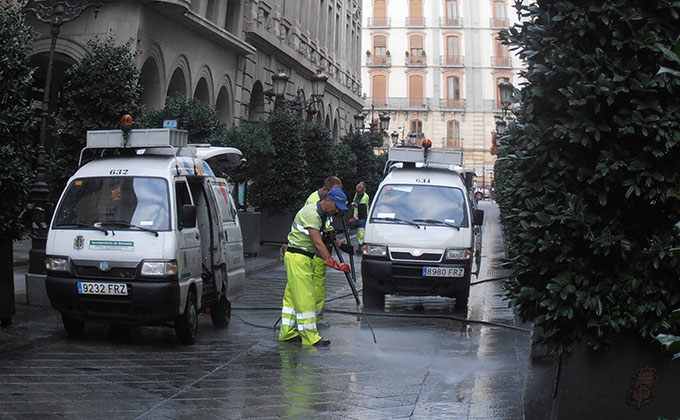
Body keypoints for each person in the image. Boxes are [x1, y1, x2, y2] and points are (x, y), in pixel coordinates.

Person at [279, 188, 351, 347]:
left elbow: (318, 236)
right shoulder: (312, 213)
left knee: (292, 298)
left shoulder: (321, 215)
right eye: (337, 206)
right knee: (306, 298)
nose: (337, 210)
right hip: (299, 257)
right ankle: (310, 337)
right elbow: (317, 242)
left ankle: (287, 332)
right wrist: (331, 261)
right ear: (328, 201)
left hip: (300, 256)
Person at [303, 176, 342, 318]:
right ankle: (314, 316)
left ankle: (317, 315)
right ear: (325, 190)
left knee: (319, 282)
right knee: (315, 283)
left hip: (320, 247)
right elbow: (313, 232)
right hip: (313, 249)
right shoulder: (314, 202)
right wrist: (330, 259)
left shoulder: (326, 202)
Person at [348, 182, 370, 254]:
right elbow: (355, 200)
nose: (358, 193)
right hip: (357, 216)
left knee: (361, 232)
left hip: (362, 216)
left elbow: (362, 210)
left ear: (363, 190)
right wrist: (353, 204)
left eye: (359, 192)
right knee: (359, 232)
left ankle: (361, 247)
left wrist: (354, 218)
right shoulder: (357, 194)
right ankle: (360, 246)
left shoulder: (365, 197)